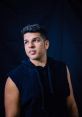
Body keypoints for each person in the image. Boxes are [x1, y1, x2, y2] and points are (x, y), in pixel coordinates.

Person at [4, 24, 79, 117]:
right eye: (26, 42)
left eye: (36, 40)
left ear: (46, 44)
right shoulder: (14, 78)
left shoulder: (62, 68)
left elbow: (71, 105)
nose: (30, 45)